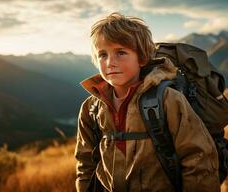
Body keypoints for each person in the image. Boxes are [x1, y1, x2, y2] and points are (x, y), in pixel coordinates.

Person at [75, 12, 220, 192]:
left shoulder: (168, 99)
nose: (110, 62)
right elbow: (85, 162)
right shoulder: (91, 108)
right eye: (102, 55)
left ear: (142, 58)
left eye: (121, 52)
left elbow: (198, 158)